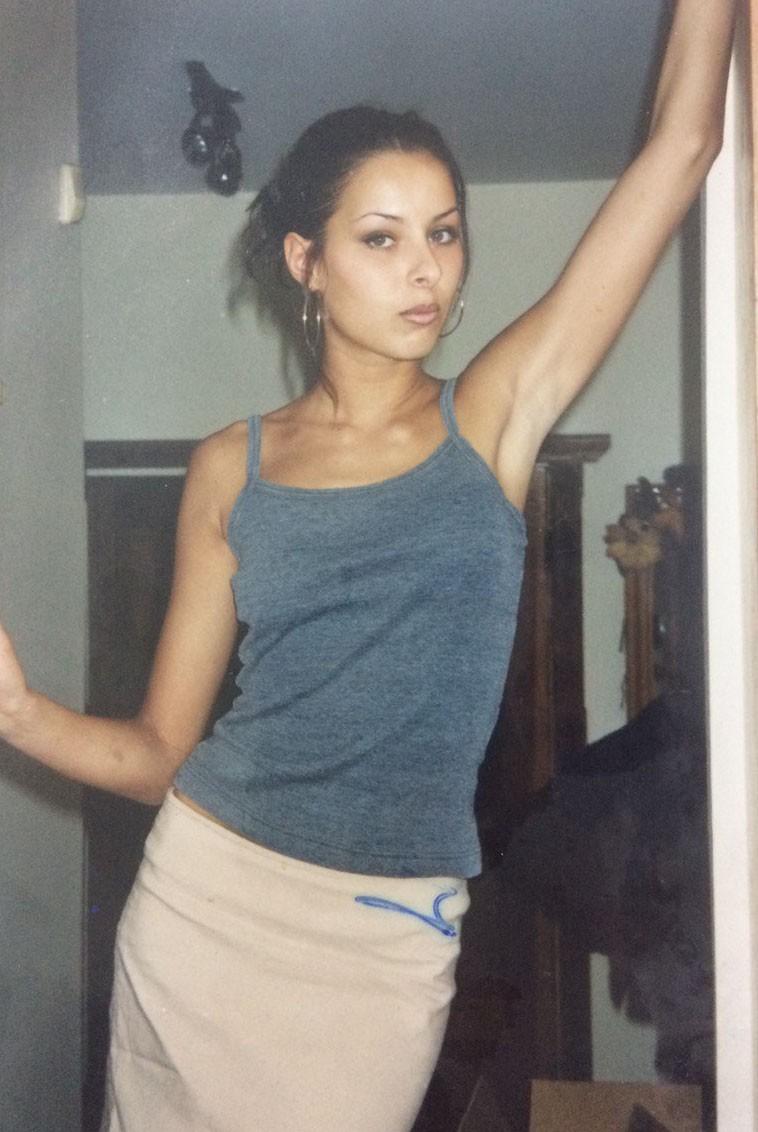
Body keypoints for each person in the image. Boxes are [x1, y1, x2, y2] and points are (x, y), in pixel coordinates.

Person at [0, 3, 735, 1129]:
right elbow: (157, 754)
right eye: (381, 238)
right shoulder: (229, 468)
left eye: (443, 233)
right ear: (307, 261)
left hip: (385, 941)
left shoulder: (488, 419)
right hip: (203, 905)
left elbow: (680, 148)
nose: (423, 269)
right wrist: (17, 713)